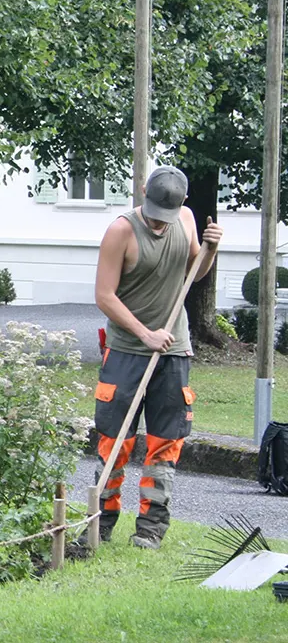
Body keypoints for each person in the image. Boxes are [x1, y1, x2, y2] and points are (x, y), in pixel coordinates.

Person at [93, 166, 223, 549]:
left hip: (173, 349)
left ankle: (150, 529)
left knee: (166, 442)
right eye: (152, 210)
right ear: (143, 190)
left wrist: (211, 249)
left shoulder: (185, 219)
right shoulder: (121, 231)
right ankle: (101, 522)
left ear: (182, 203)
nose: (158, 220)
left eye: (165, 213)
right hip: (128, 351)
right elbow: (104, 295)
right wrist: (144, 333)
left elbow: (194, 275)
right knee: (114, 441)